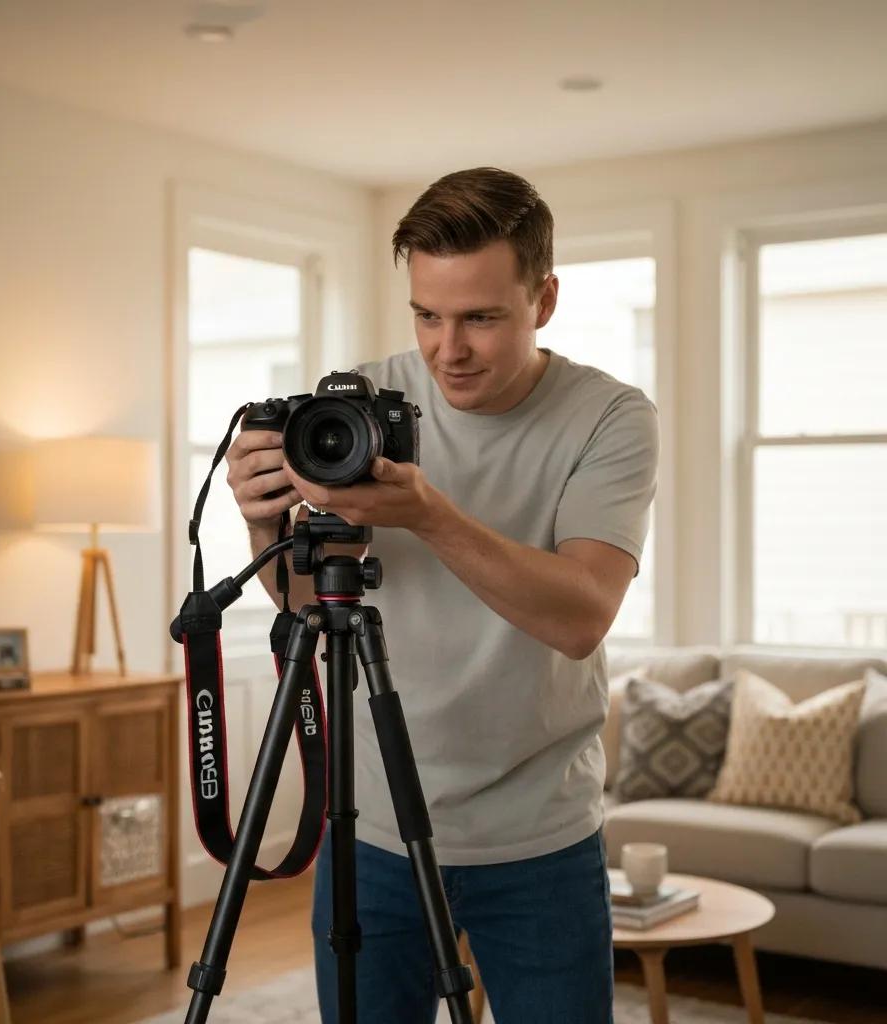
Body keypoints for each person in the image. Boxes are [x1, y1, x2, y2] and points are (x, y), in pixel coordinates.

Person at [225, 167, 659, 1024]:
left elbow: (580, 617)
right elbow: (304, 597)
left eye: (480, 318)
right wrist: (262, 523)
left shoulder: (609, 417)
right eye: (427, 314)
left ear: (545, 299)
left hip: (539, 837)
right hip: (372, 827)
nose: (447, 349)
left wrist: (429, 514)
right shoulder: (358, 404)